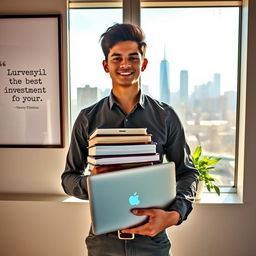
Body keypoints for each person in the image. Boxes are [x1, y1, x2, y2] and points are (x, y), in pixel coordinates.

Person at [61, 23, 199, 256]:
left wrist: (173, 215)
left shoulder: (165, 116)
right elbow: (68, 178)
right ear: (106, 65)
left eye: (133, 58)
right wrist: (96, 184)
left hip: (153, 243)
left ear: (143, 63)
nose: (125, 65)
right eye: (117, 58)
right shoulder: (87, 118)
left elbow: (187, 173)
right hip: (103, 244)